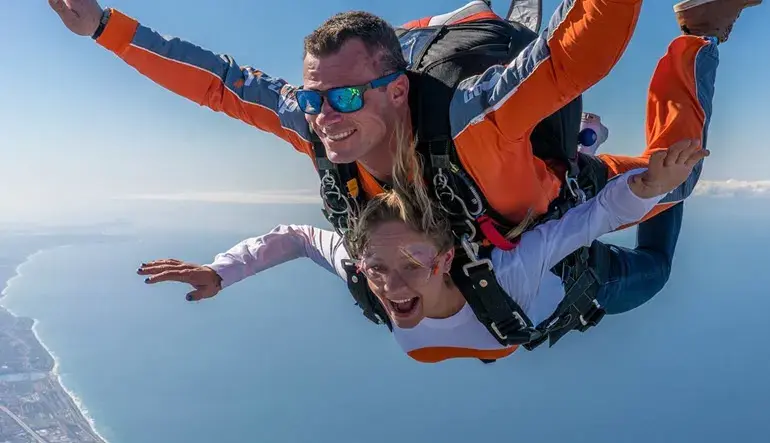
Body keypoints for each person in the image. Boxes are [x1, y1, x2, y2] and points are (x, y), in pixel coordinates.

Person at [137, 24, 733, 362]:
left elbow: (595, 217)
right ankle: (584, 141)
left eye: (395, 265)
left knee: (669, 212)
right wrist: (221, 272)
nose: (389, 283)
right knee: (644, 194)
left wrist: (656, 185)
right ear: (446, 257)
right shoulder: (471, 270)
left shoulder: (507, 272)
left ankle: (697, 35)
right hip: (530, 214)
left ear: (451, 257)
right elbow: (295, 234)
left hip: (567, 232)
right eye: (383, 267)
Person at [47, 0, 759, 247]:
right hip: (516, 196)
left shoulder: (468, 121)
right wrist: (105, 28)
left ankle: (698, 34)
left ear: (396, 92)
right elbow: (222, 84)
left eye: (347, 99)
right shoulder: (318, 117)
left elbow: (578, 54)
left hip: (556, 189)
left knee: (678, 176)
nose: (324, 117)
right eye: (316, 97)